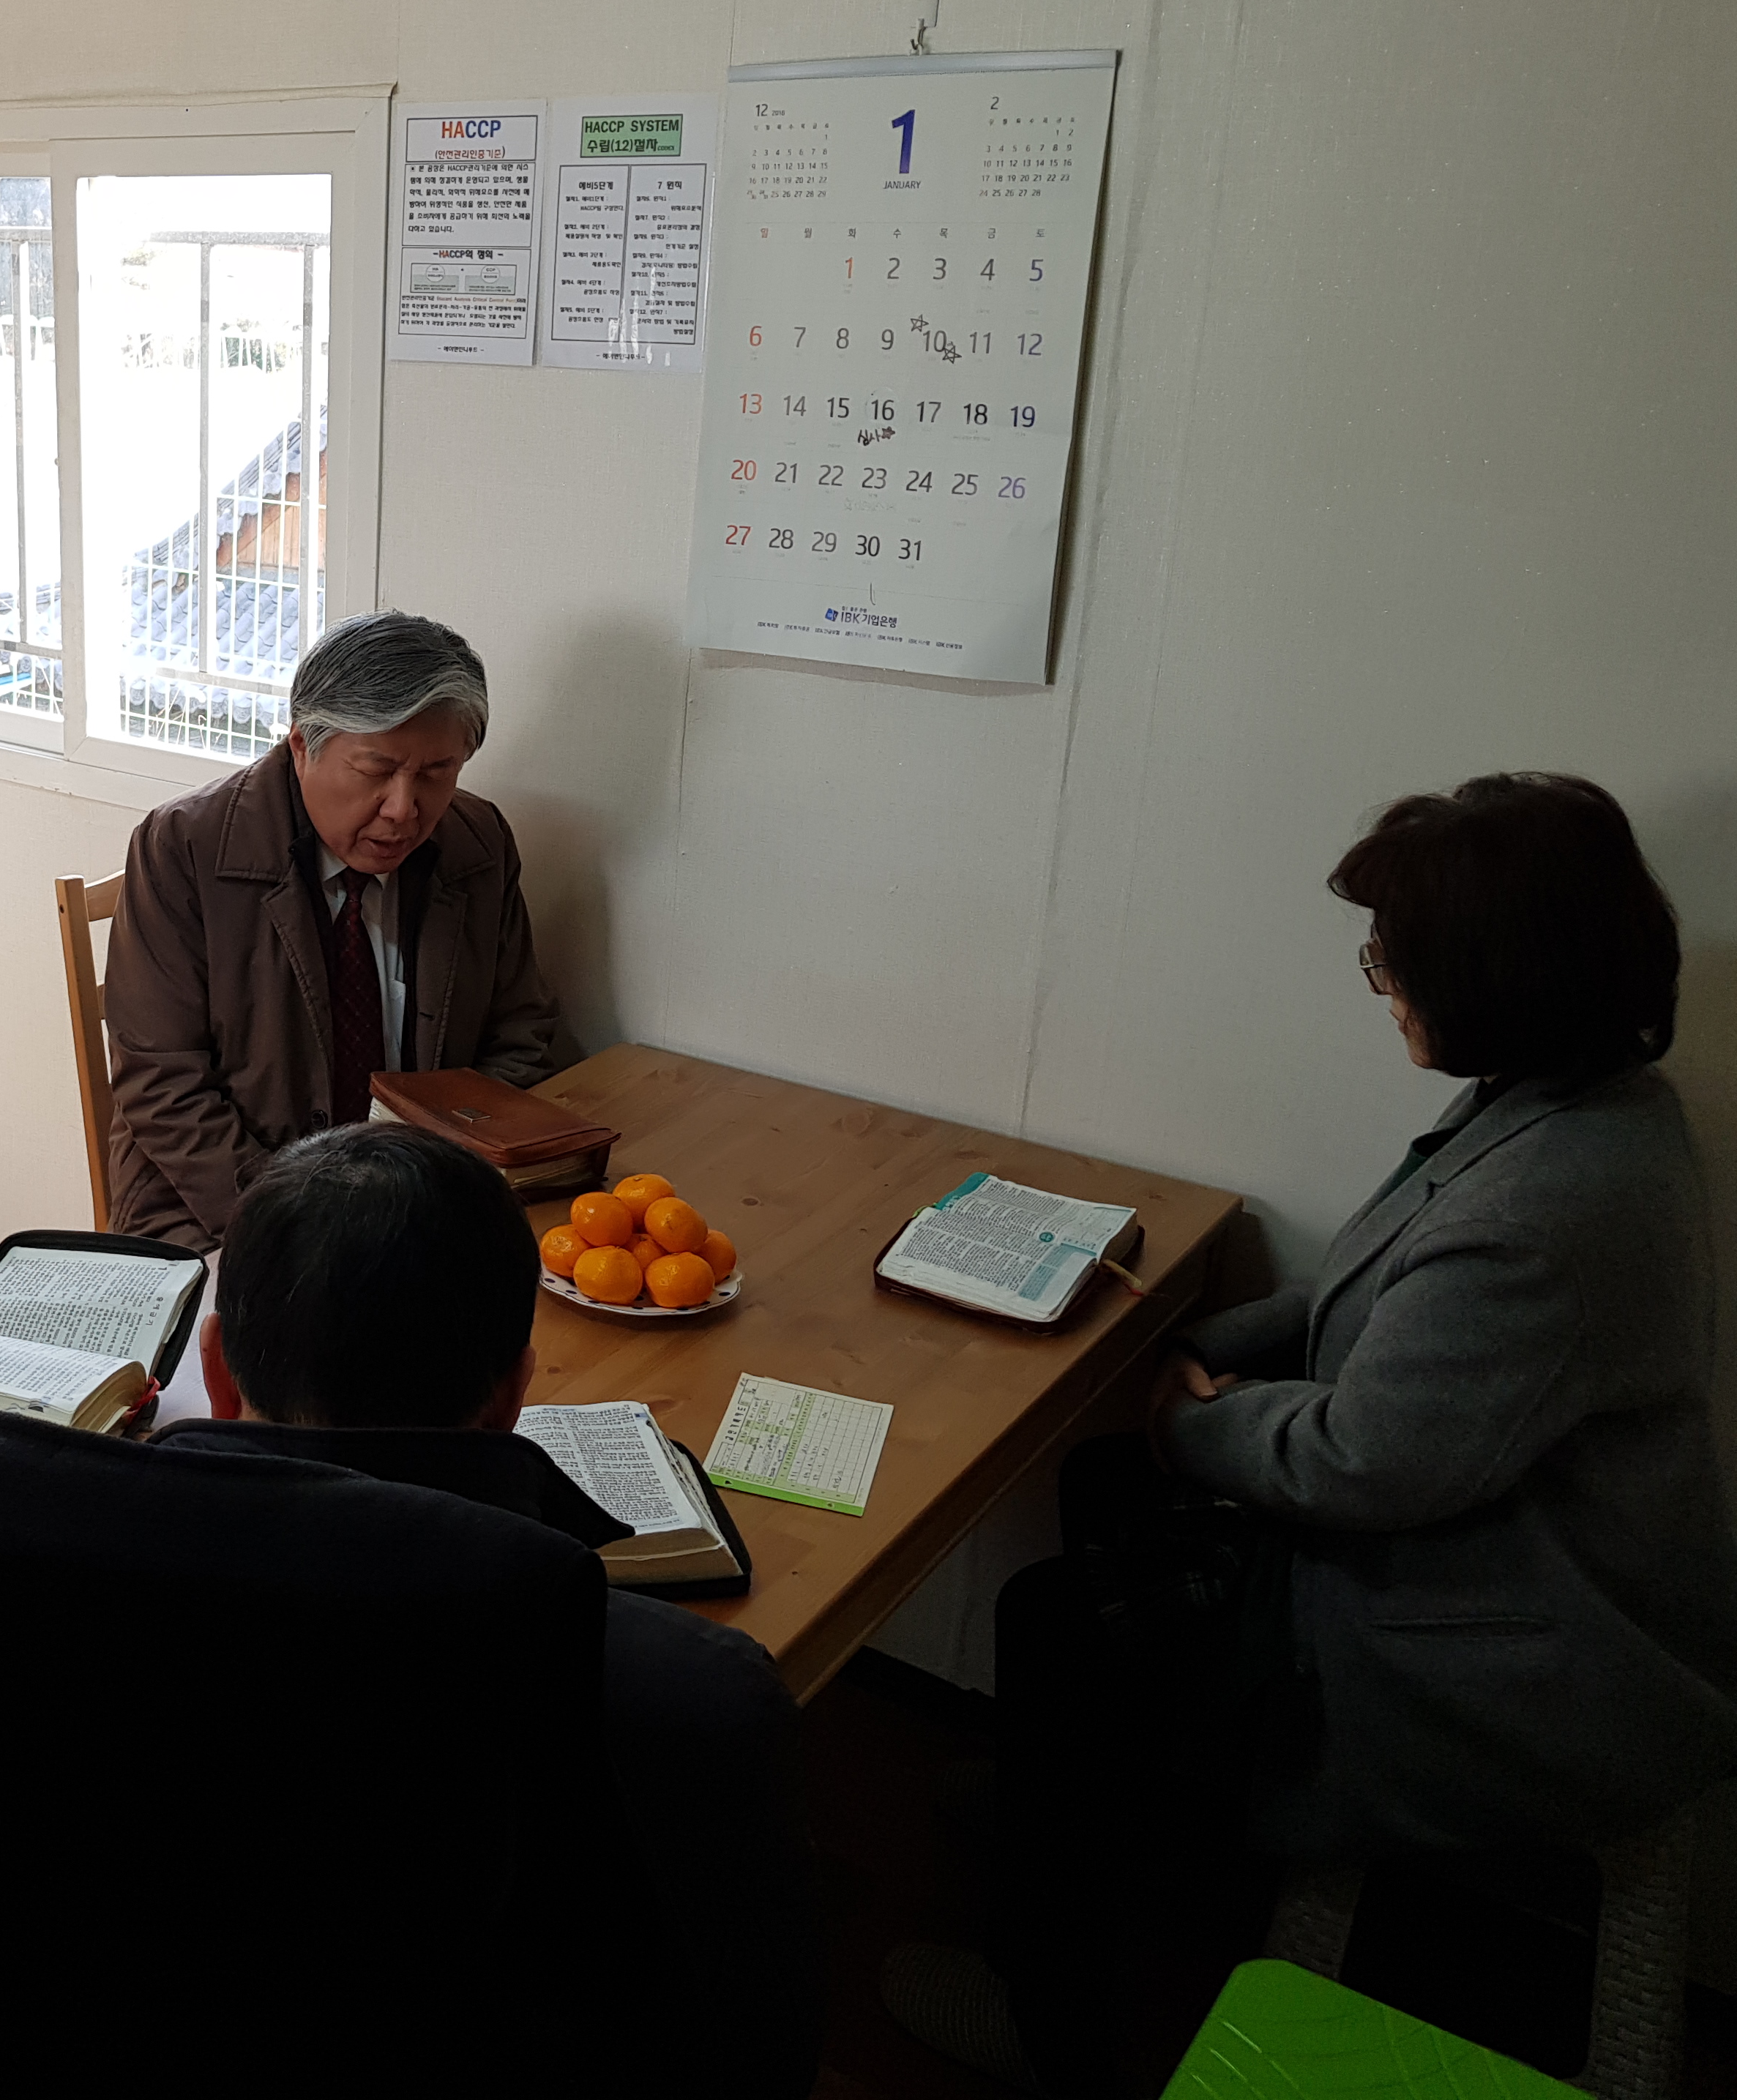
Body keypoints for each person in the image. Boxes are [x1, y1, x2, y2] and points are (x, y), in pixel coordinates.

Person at [885, 773, 1737, 2098]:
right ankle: (1107, 1803)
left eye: (1393, 957)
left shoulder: (1549, 1205)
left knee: (1063, 1622)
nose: (1381, 981)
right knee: (1105, 1495)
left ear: (1495, 976)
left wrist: (1189, 1418)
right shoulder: (1572, 1102)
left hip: (1521, 1648)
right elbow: (1379, 1285)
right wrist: (1215, 1342)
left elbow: (1363, 1459)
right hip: (1494, 1549)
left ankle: (1050, 2015)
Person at [150, 1123, 823, 2099]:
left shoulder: (79, 1598)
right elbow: (756, 2047)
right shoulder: (693, 1697)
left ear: (216, 1374)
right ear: (513, 1395)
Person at [105, 610, 567, 1249]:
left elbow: (521, 1034)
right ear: (302, 747)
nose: (404, 809)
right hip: (221, 1205)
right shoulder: (183, 847)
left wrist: (440, 1186)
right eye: (376, 771)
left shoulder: (478, 842)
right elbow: (162, 1083)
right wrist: (304, 1229)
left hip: (424, 1201)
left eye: (436, 772)